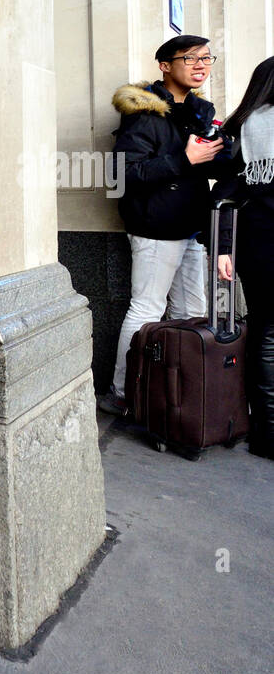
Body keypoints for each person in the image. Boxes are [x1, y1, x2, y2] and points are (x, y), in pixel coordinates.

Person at [101, 35, 228, 416]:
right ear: (165, 65)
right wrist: (185, 158)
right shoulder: (144, 113)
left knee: (192, 311)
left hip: (193, 226)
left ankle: (173, 393)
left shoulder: (201, 111)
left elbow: (208, 166)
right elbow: (123, 173)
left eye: (206, 58)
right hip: (155, 226)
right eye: (190, 58)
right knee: (146, 310)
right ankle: (122, 392)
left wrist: (226, 152)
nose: (200, 65)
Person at [208, 56, 274, 460]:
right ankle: (267, 432)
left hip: (259, 241)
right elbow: (225, 195)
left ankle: (266, 432)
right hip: (262, 242)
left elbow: (226, 193)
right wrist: (223, 249)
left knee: (267, 331)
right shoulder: (246, 131)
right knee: (267, 333)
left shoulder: (247, 129)